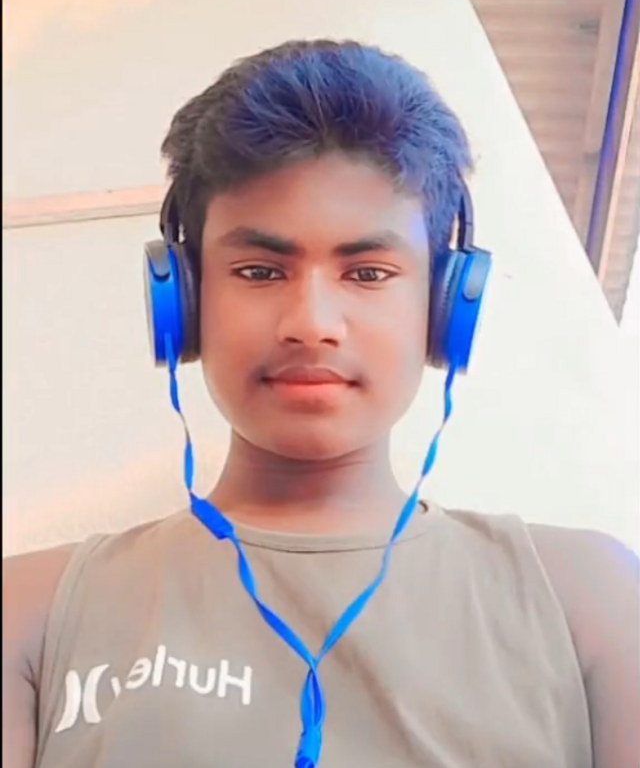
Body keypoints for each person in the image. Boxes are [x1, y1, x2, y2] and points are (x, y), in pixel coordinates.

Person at [3, 40, 638, 768]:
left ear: (443, 309)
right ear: (185, 300)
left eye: (368, 273)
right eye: (258, 270)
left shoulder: (590, 601)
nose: (311, 323)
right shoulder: (29, 615)